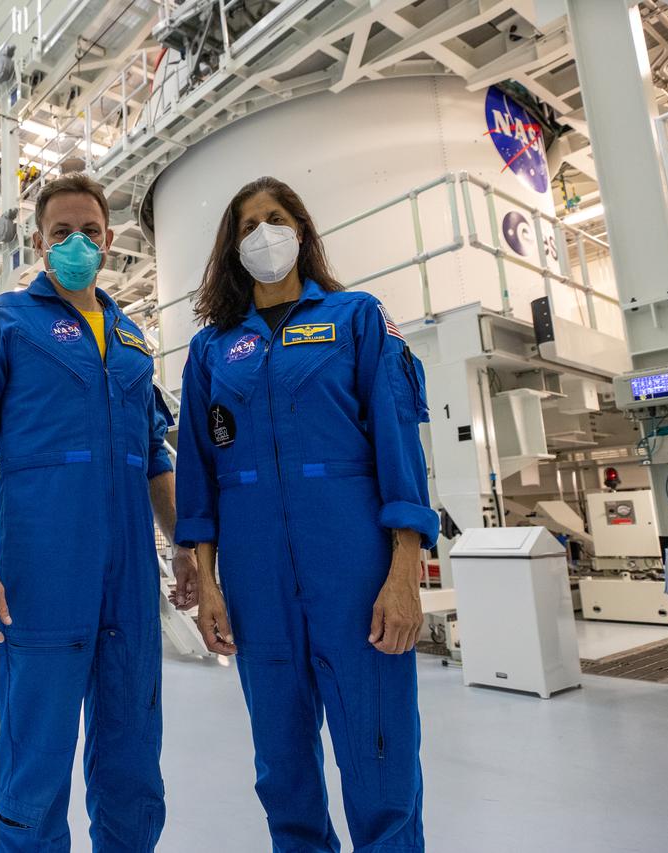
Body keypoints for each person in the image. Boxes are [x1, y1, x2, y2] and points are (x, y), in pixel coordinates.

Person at [174, 177, 438, 852]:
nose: (263, 233)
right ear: (231, 248)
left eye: (276, 218)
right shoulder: (211, 351)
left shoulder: (357, 319)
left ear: (302, 230)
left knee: (382, 770)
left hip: (355, 576)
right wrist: (207, 584)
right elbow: (200, 477)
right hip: (258, 587)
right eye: (247, 225)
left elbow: (399, 448)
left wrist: (405, 571)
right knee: (283, 776)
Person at [0, 172, 193, 852]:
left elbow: (154, 459)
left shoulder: (134, 341)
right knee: (35, 768)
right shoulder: (7, 322)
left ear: (108, 241)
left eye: (88, 231)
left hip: (130, 588)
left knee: (134, 768)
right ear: (39, 242)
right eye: (60, 232)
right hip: (42, 580)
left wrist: (187, 546)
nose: (75, 242)